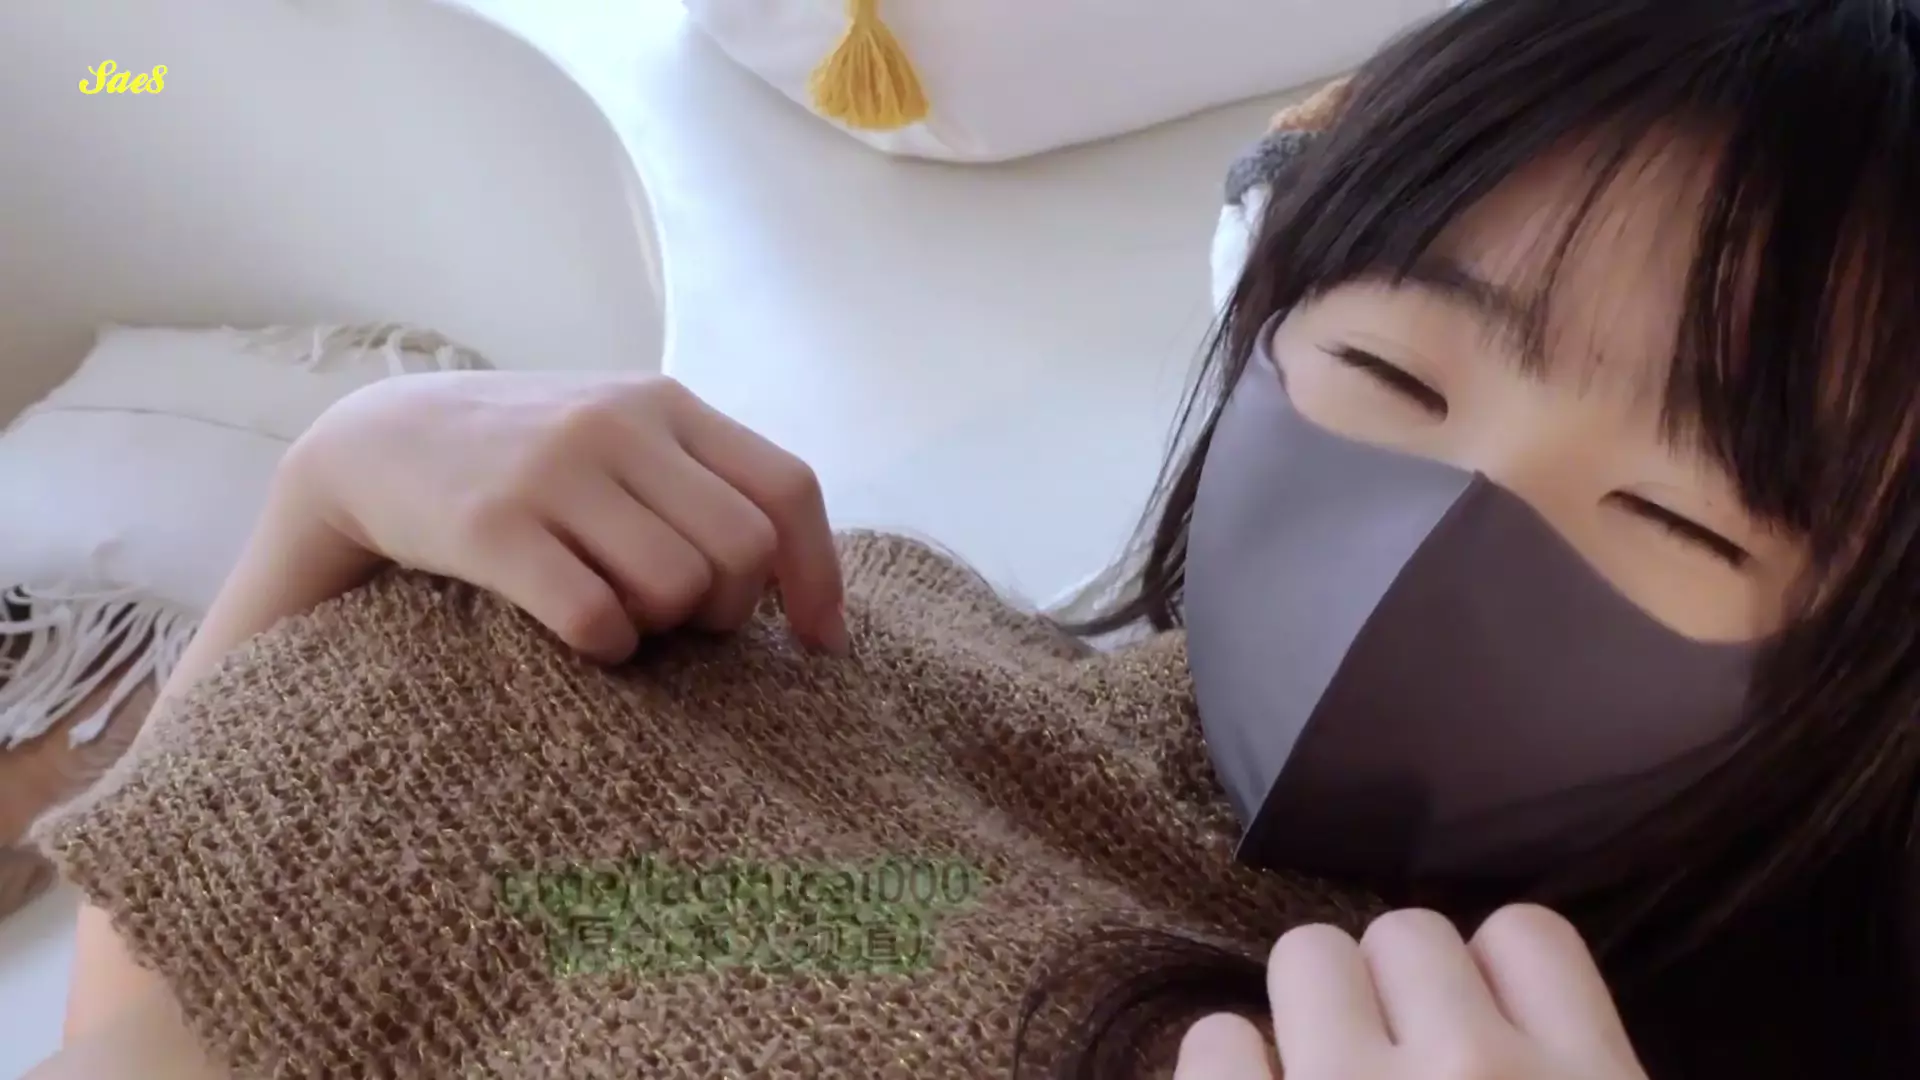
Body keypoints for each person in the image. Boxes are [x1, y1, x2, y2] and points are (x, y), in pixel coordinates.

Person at [28, 0, 1920, 1076]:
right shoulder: (851, 649)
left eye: (1675, 513)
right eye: (1394, 373)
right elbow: (217, 958)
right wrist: (324, 515)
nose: (1439, 539)